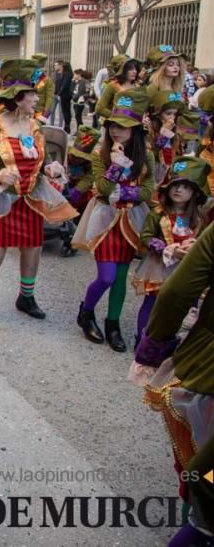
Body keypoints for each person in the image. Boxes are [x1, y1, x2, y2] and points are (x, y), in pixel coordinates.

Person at [0, 59, 78, 326]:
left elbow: (39, 160)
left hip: (30, 197)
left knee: (33, 248)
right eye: (32, 94)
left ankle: (26, 297)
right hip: (0, 198)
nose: (37, 98)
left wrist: (50, 168)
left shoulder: (35, 126)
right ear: (18, 98)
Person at [133, 221, 214, 547]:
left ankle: (197, 525)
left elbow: (177, 292)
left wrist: (152, 349)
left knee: (200, 468)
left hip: (206, 367)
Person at [73, 87, 155, 352]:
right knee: (106, 277)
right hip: (105, 220)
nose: (115, 131)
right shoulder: (100, 153)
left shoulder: (147, 155)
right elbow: (103, 189)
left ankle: (113, 323)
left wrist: (130, 193)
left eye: (123, 127)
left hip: (131, 222)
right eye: (112, 126)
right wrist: (117, 165)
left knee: (120, 278)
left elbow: (148, 190)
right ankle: (86, 312)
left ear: (136, 131)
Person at [132, 156, 209, 349]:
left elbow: (203, 242)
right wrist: (167, 248)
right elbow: (146, 237)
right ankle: (141, 341)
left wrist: (193, 245)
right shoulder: (157, 213)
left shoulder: (199, 218)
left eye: (186, 187)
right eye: (175, 185)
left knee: (181, 306)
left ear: (195, 193)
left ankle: (166, 341)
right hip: (159, 266)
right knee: (151, 303)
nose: (179, 190)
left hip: (186, 269)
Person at [94, 54, 140, 121]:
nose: (134, 71)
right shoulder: (112, 86)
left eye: (135, 68)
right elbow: (99, 108)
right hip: (114, 125)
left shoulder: (138, 87)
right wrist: (118, 117)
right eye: (130, 69)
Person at [146, 44, 187, 115]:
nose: (176, 67)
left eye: (178, 64)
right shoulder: (152, 88)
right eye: (171, 65)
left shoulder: (178, 88)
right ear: (161, 68)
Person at [53, 60, 74, 132]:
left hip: (65, 95)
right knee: (65, 111)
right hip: (64, 94)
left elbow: (64, 85)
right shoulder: (66, 74)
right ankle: (66, 126)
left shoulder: (67, 74)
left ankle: (67, 126)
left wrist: (59, 94)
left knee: (65, 111)